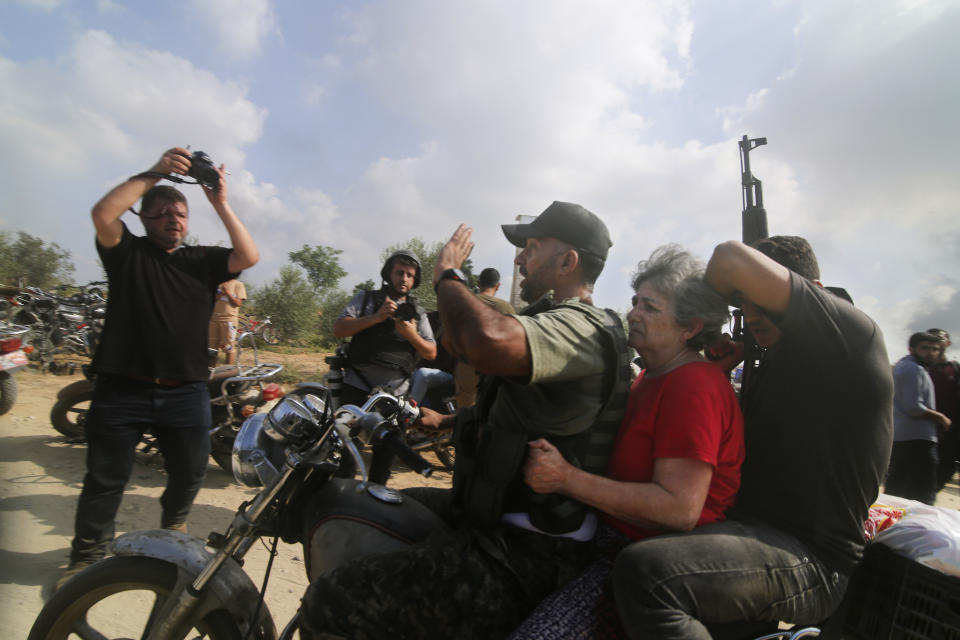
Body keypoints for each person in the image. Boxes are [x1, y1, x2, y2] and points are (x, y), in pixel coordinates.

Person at [300, 201, 631, 639]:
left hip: (531, 549)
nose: (519, 259)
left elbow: (487, 342)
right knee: (357, 505)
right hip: (488, 516)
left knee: (332, 603)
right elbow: (508, 401)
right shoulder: (548, 319)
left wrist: (448, 276)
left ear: (568, 262)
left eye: (531, 248)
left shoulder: (583, 327)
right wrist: (448, 422)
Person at [612, 236, 893, 638]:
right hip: (751, 534)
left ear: (808, 291)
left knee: (650, 575)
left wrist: (689, 300)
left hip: (811, 557)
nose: (749, 314)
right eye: (742, 303)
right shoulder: (776, 357)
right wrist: (723, 372)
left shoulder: (850, 334)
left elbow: (729, 257)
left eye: (760, 301)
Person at [510, 244, 744, 638]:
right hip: (603, 539)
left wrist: (565, 478)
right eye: (636, 301)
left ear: (689, 327)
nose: (633, 313)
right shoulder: (653, 375)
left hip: (639, 559)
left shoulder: (693, 386)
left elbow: (678, 508)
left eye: (650, 308)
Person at [58, 147, 258, 588]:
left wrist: (219, 200)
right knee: (105, 480)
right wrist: (157, 172)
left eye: (180, 212)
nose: (174, 218)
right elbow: (103, 213)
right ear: (145, 218)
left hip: (185, 391)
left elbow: (248, 255)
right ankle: (84, 558)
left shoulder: (201, 261)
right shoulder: (126, 252)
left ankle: (172, 533)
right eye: (163, 212)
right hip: (121, 390)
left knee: (189, 472)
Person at [331, 251, 437, 406]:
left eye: (410, 275)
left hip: (396, 395)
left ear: (414, 280)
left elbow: (431, 353)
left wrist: (411, 335)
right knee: (343, 429)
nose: (404, 279)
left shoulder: (417, 313)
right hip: (357, 387)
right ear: (389, 274)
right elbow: (338, 329)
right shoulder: (366, 299)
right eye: (399, 273)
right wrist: (375, 318)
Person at [886, 331, 951, 504]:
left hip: (904, 436)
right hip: (917, 439)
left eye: (934, 349)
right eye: (925, 348)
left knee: (898, 490)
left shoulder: (907, 366)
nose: (930, 353)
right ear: (912, 348)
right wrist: (941, 418)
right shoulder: (912, 369)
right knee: (923, 493)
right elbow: (913, 407)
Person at [453, 266, 516, 409]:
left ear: (478, 283)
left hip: (467, 369)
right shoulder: (506, 308)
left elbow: (448, 338)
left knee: (465, 417)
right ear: (498, 286)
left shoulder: (464, 302)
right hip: (496, 372)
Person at [926, 328, 959, 490]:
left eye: (939, 338)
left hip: (950, 430)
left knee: (947, 467)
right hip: (926, 429)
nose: (935, 341)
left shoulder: (954, 368)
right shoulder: (920, 368)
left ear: (948, 343)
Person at [208, 278, 246, 364]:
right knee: (211, 349)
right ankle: (211, 372)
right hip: (213, 320)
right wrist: (221, 293)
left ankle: (227, 372)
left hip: (228, 321)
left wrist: (227, 292)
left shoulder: (238, 284)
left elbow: (238, 303)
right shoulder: (217, 283)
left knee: (228, 348)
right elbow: (210, 300)